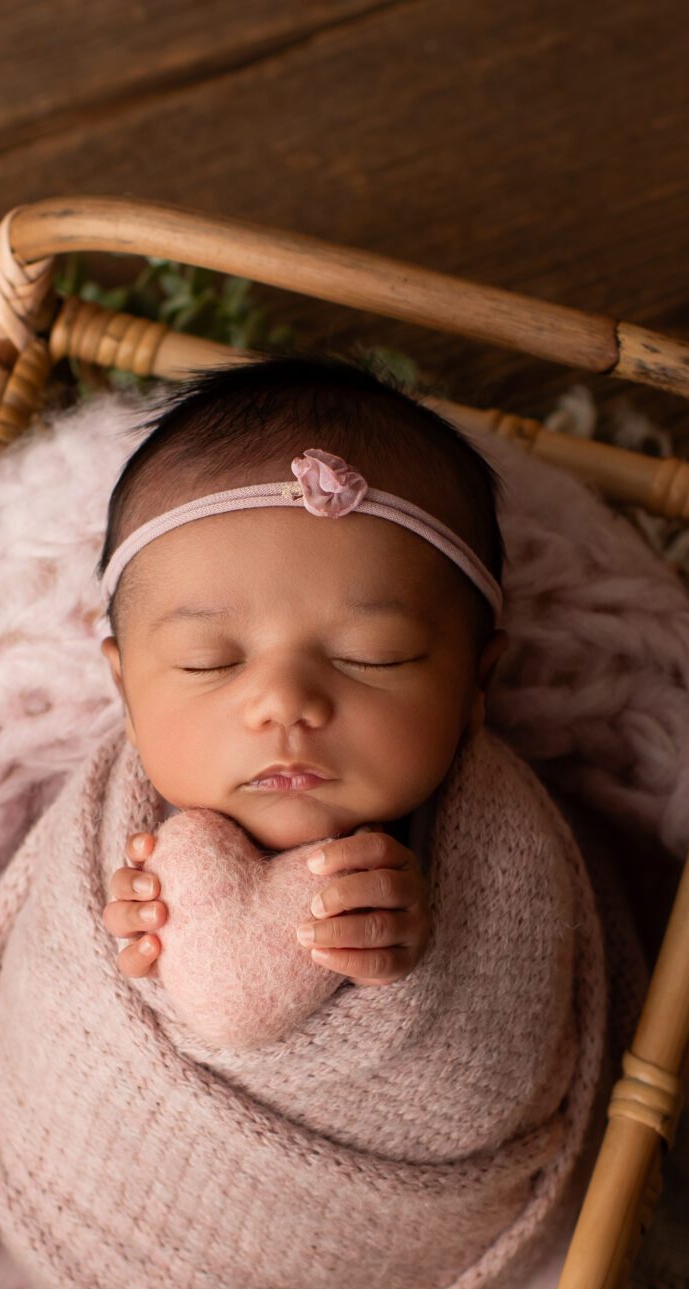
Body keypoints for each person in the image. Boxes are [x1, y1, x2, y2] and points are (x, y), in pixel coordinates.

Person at [89, 354, 509, 995]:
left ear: (477, 684)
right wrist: (130, 928)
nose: (285, 703)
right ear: (126, 694)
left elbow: (514, 968)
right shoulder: (112, 834)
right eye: (209, 661)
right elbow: (68, 983)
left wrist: (430, 943)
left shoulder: (490, 842)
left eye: (373, 656)